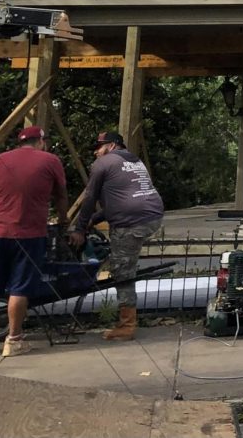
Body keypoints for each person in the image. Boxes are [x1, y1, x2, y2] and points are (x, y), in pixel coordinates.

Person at [0, 125, 67, 358]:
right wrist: (63, 220)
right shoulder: (51, 161)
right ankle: (13, 340)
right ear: (41, 141)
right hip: (30, 235)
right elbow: (61, 196)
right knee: (19, 287)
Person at [68, 131, 164, 341]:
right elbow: (124, 197)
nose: (95, 152)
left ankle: (126, 326)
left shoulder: (103, 163)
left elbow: (90, 196)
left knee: (123, 271)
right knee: (124, 262)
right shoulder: (134, 160)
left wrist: (80, 228)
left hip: (132, 222)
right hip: (153, 215)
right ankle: (127, 318)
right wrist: (96, 218)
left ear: (112, 145)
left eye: (98, 147)